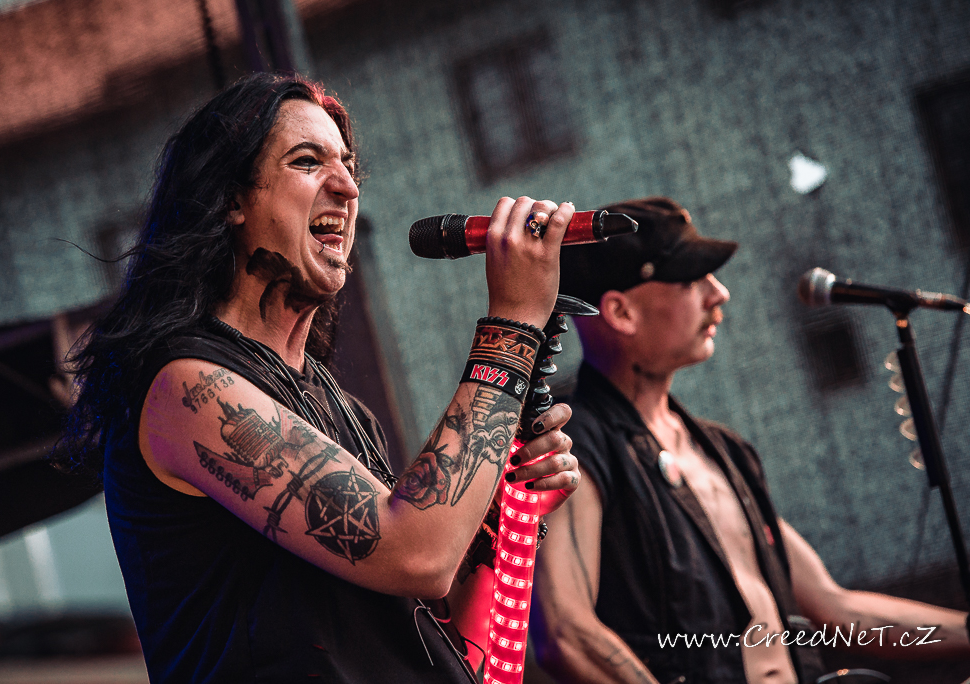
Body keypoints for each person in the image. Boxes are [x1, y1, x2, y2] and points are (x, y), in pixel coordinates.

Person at [61, 72, 581, 682]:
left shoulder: (345, 411)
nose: (347, 187)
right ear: (230, 199)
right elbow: (417, 553)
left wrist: (498, 514)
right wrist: (513, 321)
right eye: (307, 162)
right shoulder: (188, 389)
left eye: (348, 166)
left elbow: (455, 647)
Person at [530, 197, 970, 684]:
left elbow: (839, 609)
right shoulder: (569, 446)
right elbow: (567, 636)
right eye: (691, 280)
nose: (719, 293)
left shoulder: (724, 451)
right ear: (621, 311)